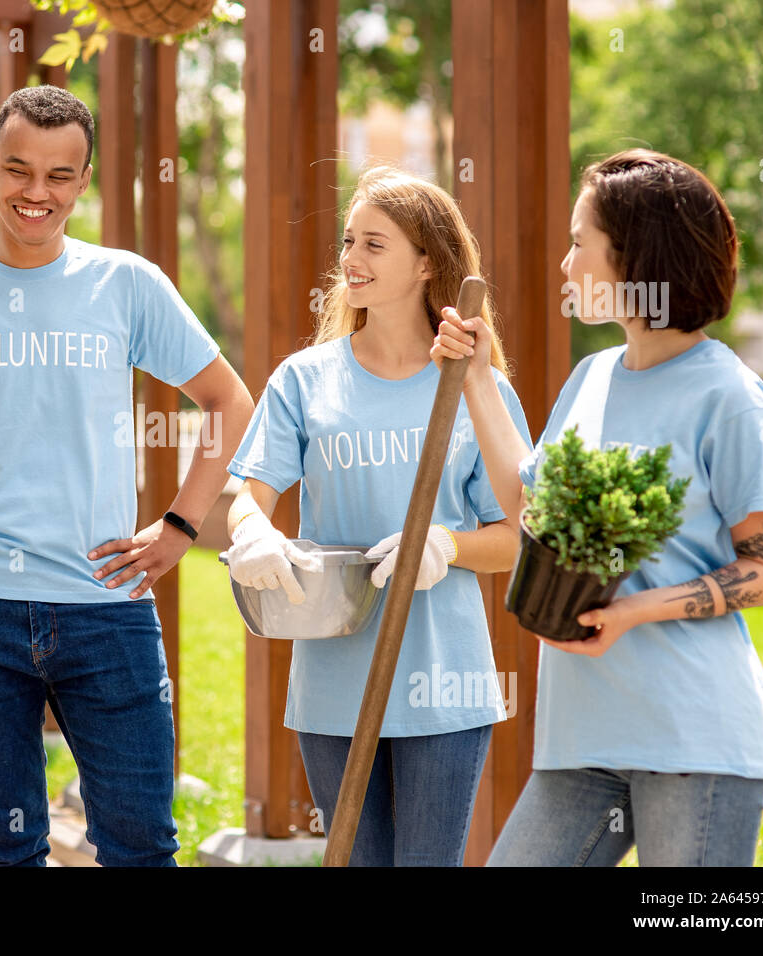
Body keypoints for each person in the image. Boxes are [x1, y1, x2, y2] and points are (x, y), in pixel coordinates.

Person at [0, 85, 253, 867]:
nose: (34, 193)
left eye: (57, 175)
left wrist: (181, 525)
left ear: (84, 182)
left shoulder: (127, 284)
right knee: (6, 848)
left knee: (142, 843)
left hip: (105, 605)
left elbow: (228, 400)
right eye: (18, 170)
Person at [432, 149, 763, 866]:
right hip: (582, 739)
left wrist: (632, 611)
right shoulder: (592, 377)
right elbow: (532, 511)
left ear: (634, 258)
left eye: (577, 242)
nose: (565, 265)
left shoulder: (729, 395)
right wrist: (474, 377)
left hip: (693, 739)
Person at [224, 167, 531, 866]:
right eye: (348, 242)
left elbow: (518, 536)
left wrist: (446, 547)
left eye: (375, 245)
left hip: (444, 681)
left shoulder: (477, 386)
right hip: (334, 680)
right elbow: (250, 491)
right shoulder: (305, 380)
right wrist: (251, 533)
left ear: (427, 262)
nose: (351, 261)